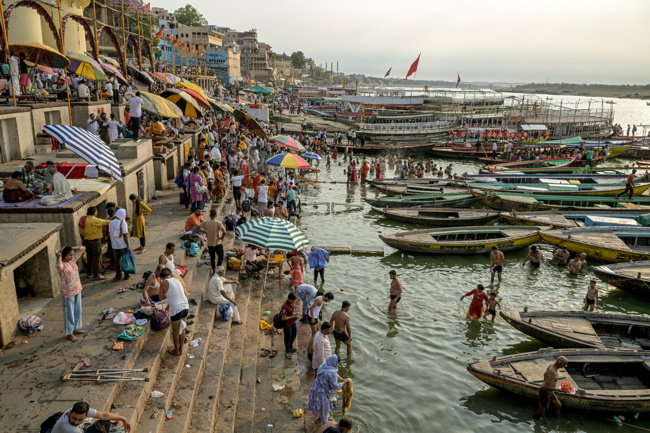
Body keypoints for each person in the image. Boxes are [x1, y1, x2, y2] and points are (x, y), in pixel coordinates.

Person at [307, 355, 350, 426]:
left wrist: (342, 379)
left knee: (321, 407)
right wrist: (344, 383)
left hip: (316, 389)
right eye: (338, 363)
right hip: (323, 393)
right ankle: (325, 426)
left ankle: (321, 418)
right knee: (325, 410)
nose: (338, 365)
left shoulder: (324, 366)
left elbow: (336, 374)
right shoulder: (331, 373)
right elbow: (335, 386)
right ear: (335, 362)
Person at [56, 245, 87, 342]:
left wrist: (70, 248)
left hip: (77, 289)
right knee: (69, 313)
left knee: (77, 310)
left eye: (73, 255)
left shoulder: (72, 261)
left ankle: (76, 328)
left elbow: (82, 248)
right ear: (65, 256)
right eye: (69, 255)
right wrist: (59, 256)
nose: (72, 257)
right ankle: (69, 333)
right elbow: (59, 267)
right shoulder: (63, 265)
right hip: (68, 292)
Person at [51, 401, 131, 433]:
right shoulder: (70, 428)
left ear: (86, 415)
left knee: (104, 422)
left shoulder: (77, 410)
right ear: (71, 412)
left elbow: (103, 415)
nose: (75, 422)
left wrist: (122, 418)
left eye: (80, 419)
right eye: (74, 418)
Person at [159, 268, 189, 356]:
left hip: (176, 309)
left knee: (175, 332)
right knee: (182, 329)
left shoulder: (163, 282)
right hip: (185, 306)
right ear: (170, 275)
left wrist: (166, 294)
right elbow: (177, 294)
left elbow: (160, 298)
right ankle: (181, 349)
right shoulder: (176, 279)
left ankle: (176, 350)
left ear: (162, 277)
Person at [82, 206, 110, 280]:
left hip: (86, 240)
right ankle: (96, 275)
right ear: (94, 213)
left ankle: (89, 273)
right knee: (96, 258)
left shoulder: (84, 219)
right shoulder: (94, 220)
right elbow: (104, 222)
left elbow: (81, 231)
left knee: (89, 257)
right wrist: (111, 219)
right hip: (95, 241)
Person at [200, 209, 226, 274]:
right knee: (220, 256)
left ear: (209, 215)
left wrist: (204, 232)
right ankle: (218, 270)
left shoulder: (205, 223)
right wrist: (221, 238)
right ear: (216, 215)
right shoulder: (218, 223)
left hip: (210, 243)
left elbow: (197, 227)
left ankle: (214, 271)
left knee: (212, 258)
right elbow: (224, 232)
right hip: (217, 243)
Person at [109, 208, 131, 281]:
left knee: (117, 261)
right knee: (125, 260)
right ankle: (126, 275)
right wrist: (128, 245)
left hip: (114, 245)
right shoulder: (123, 223)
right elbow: (125, 235)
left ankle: (118, 275)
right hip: (123, 245)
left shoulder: (111, 222)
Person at [281, 292, 300, 359]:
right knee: (288, 337)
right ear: (289, 299)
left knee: (294, 334)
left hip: (292, 322)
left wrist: (295, 315)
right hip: (287, 324)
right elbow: (283, 318)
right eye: (293, 300)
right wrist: (293, 317)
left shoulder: (291, 303)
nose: (294, 302)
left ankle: (290, 346)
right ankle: (287, 351)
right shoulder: (285, 306)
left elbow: (292, 311)